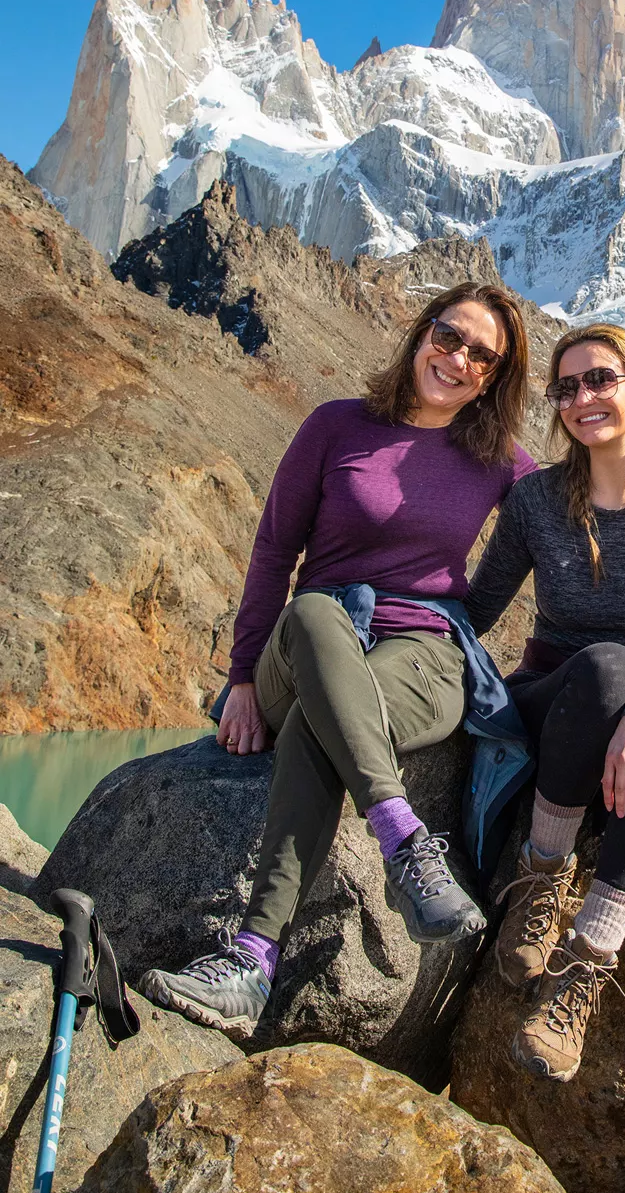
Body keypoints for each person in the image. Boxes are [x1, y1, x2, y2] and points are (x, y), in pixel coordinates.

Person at [140, 282, 537, 1037]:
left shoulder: (498, 461)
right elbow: (273, 551)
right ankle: (404, 839)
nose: (456, 359)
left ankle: (252, 959)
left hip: (421, 653)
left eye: (480, 355)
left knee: (321, 729)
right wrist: (241, 678)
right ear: (421, 332)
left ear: (494, 376)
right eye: (448, 336)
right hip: (310, 640)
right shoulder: (337, 426)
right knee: (318, 612)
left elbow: (578, 511)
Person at [465, 322, 625, 1082]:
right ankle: (543, 873)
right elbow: (477, 608)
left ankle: (583, 963)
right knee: (609, 665)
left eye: (600, 379)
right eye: (567, 386)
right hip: (560, 695)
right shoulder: (536, 500)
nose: (582, 397)